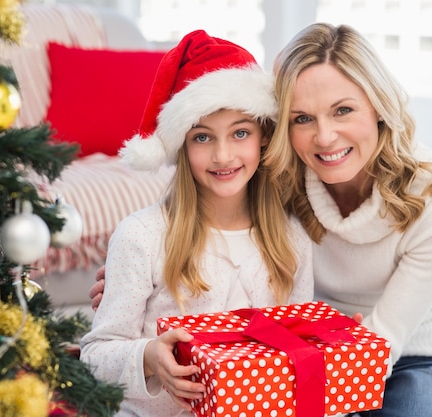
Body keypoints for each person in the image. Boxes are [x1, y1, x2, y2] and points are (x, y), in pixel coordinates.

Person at [90, 23, 432, 417]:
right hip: (295, 347)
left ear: (379, 105)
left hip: (403, 348)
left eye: (343, 110)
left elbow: (384, 341)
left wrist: (337, 359)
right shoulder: (277, 173)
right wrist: (131, 283)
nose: (325, 137)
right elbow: (197, 213)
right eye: (302, 118)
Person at [79, 30, 313, 417]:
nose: (223, 156)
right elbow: (96, 355)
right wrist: (150, 356)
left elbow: (298, 349)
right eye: (203, 137)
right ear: (182, 147)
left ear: (264, 139)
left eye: (240, 133)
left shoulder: (291, 239)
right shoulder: (144, 235)